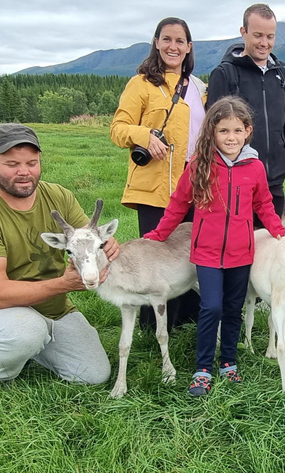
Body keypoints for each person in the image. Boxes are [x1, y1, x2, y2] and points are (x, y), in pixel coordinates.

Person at [143, 96, 285, 396]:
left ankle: (228, 362)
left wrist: (279, 231)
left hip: (241, 254)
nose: (231, 137)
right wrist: (159, 234)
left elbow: (263, 204)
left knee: (234, 309)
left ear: (248, 131)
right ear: (212, 131)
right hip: (207, 254)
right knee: (211, 307)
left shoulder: (254, 167)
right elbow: (179, 203)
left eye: (237, 131)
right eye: (224, 131)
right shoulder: (199, 164)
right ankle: (203, 369)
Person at [0, 123, 119, 384]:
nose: (24, 172)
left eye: (32, 163)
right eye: (12, 164)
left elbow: (88, 235)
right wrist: (64, 284)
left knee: (94, 375)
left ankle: (33, 342)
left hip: (52, 305)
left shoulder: (58, 196)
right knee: (26, 331)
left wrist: (106, 245)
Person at [110, 17, 206, 332]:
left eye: (179, 41)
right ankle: (153, 328)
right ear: (156, 43)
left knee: (189, 253)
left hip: (193, 186)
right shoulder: (140, 84)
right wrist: (145, 136)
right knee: (156, 256)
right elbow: (118, 129)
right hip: (155, 187)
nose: (173, 46)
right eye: (167, 39)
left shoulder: (198, 88)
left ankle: (188, 320)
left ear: (189, 47)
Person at [206, 3, 285, 222]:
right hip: (235, 185)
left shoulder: (282, 76)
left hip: (274, 185)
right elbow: (213, 132)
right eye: (258, 35)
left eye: (270, 36)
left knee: (271, 242)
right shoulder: (225, 74)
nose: (264, 43)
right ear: (244, 32)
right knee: (237, 242)